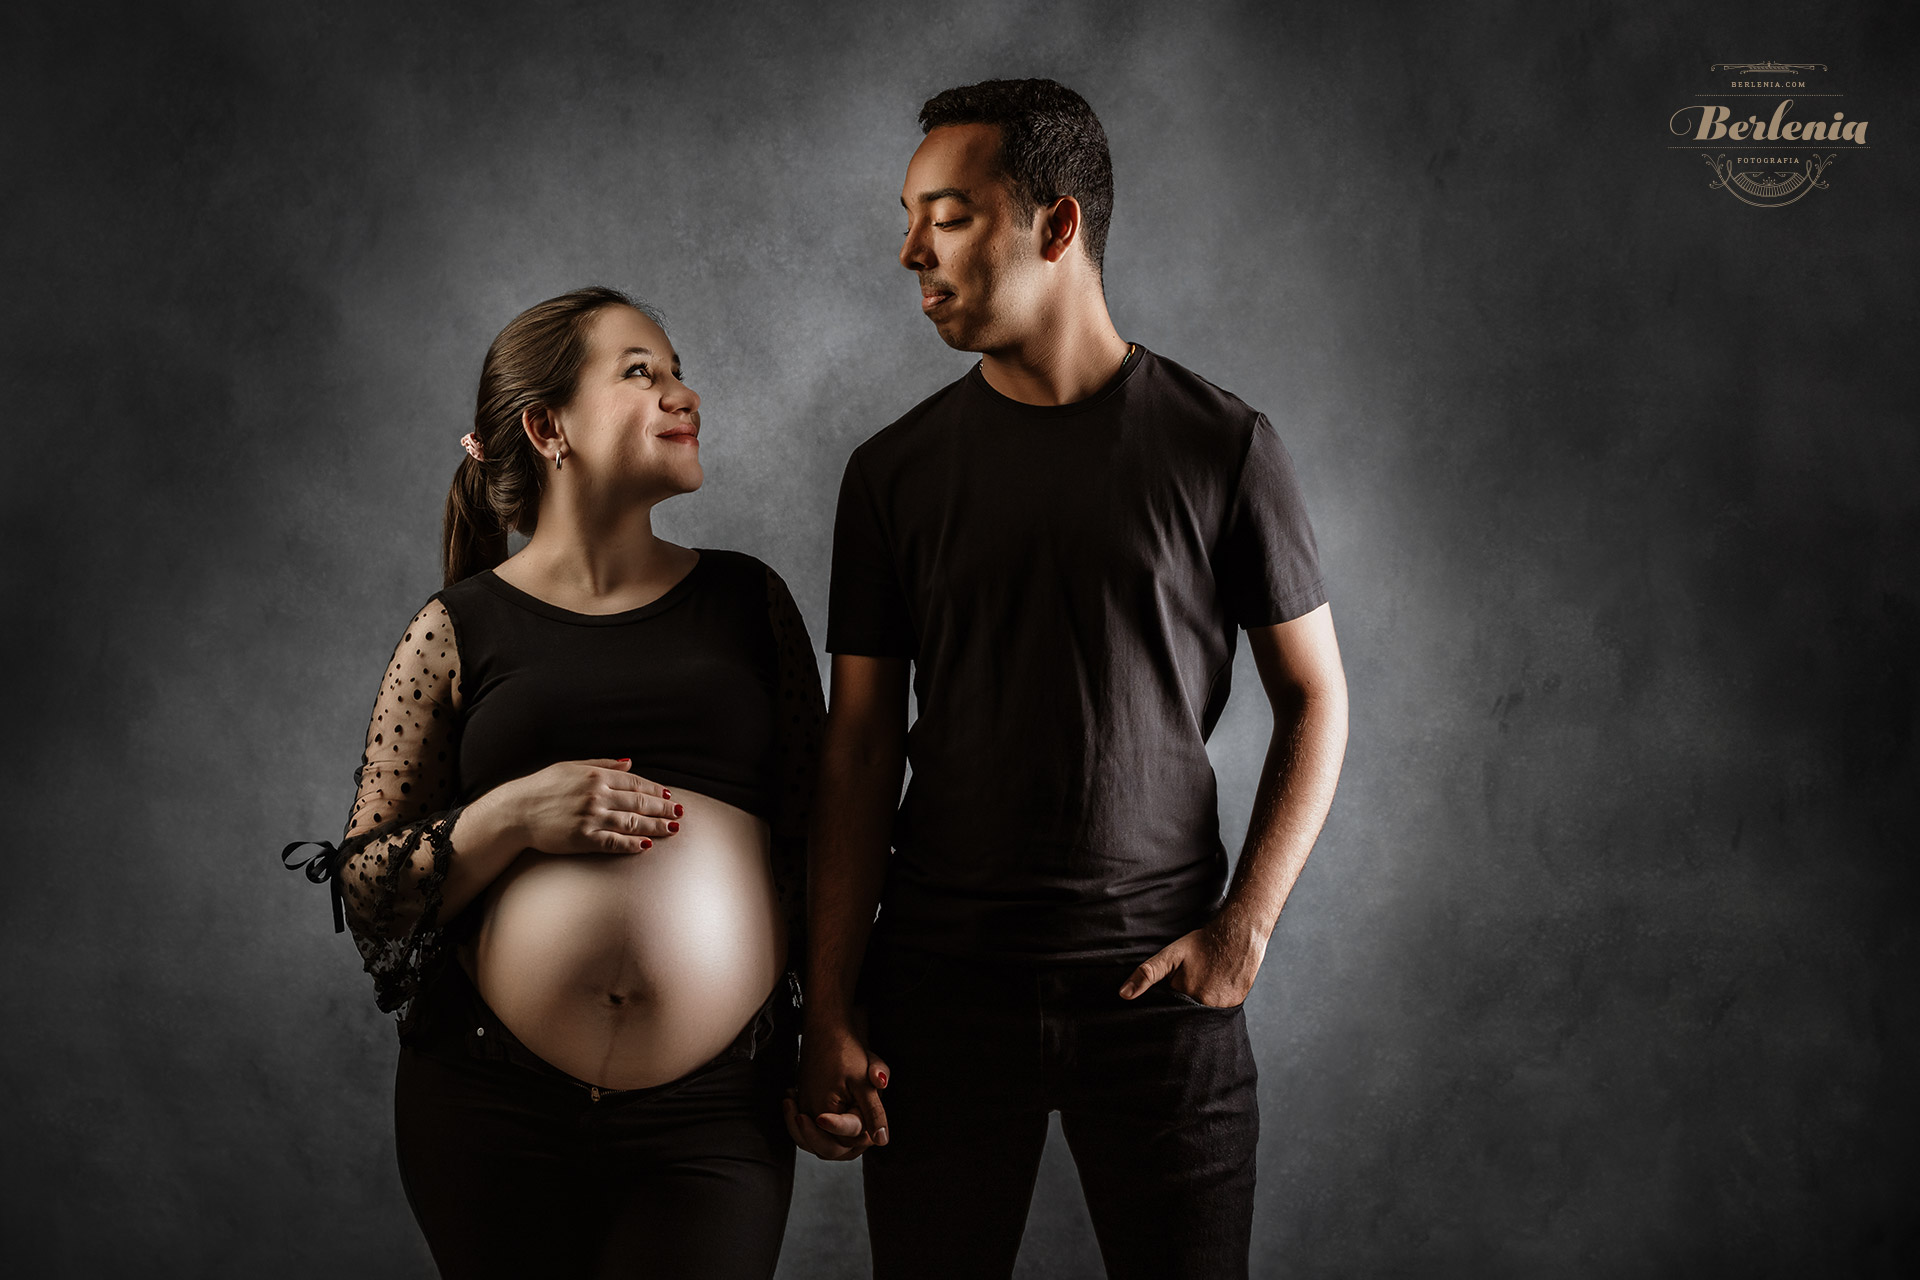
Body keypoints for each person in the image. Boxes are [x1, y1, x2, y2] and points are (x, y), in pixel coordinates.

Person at [786, 80, 1351, 1279]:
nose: (908, 252)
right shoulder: (892, 474)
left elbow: (1317, 695)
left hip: (1161, 996)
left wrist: (1243, 927)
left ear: (1056, 225)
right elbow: (859, 745)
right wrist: (827, 1000)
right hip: (939, 994)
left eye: (945, 214)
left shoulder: (1223, 444)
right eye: (906, 216)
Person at [284, 287, 820, 1279]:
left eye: (678, 369)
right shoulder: (455, 627)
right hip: (490, 1106)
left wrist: (838, 1025)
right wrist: (512, 814)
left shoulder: (751, 602)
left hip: (714, 1112)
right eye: (641, 372)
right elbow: (369, 893)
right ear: (546, 426)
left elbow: (817, 839)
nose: (683, 391)